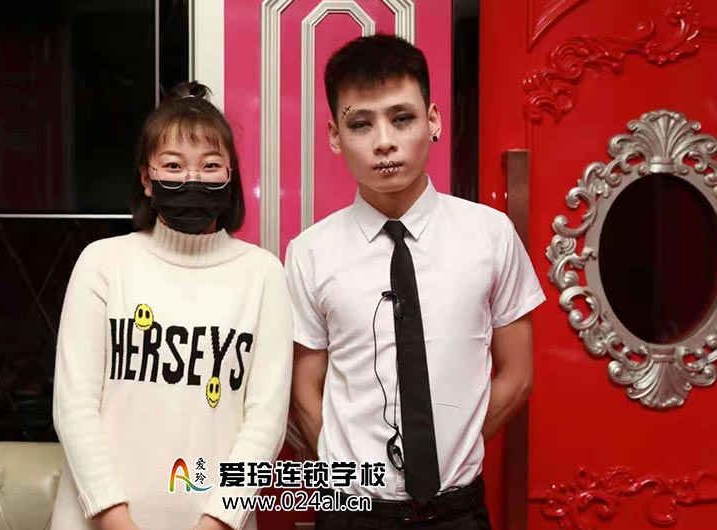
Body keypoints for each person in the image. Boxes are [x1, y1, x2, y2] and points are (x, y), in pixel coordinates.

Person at [287, 34, 545, 529]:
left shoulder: (490, 235)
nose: (384, 141)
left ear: (433, 120)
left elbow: (517, 375)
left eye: (402, 118)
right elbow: (305, 392)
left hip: (457, 512)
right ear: (335, 136)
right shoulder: (310, 253)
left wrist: (453, 450)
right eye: (360, 124)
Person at [51, 82, 293, 530]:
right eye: (173, 165)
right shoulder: (103, 263)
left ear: (230, 177)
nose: (192, 179)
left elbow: (266, 421)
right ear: (146, 179)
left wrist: (218, 521)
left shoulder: (264, 274)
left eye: (210, 166)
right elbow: (73, 407)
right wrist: (114, 519)